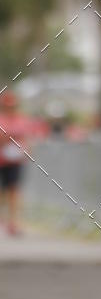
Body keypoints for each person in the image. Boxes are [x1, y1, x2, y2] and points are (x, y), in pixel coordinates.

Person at [0, 90, 39, 235]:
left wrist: (27, 151)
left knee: (14, 191)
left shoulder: (22, 120)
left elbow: (27, 139)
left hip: (15, 162)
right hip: (1, 160)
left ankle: (13, 223)